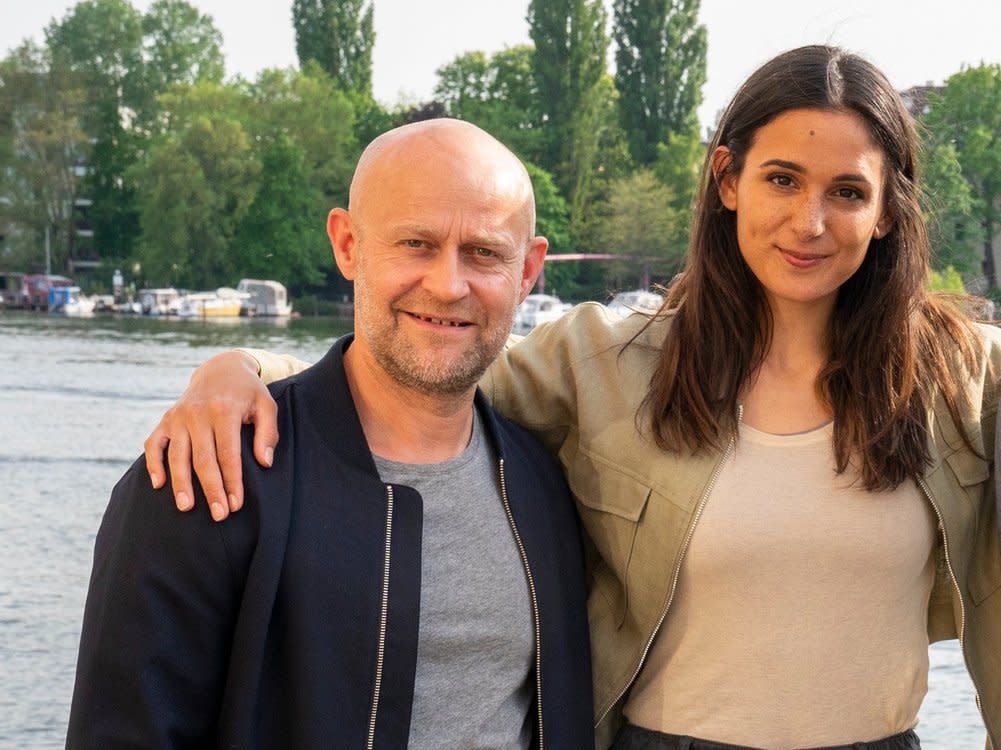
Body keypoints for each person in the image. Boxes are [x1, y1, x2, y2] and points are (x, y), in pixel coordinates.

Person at [143, 46, 1001, 750]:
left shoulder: (962, 379)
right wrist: (236, 366)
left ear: (887, 211)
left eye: (846, 192)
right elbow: (407, 371)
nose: (809, 221)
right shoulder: (604, 362)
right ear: (727, 181)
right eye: (781, 179)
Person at [67, 119, 594, 748]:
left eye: (483, 252)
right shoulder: (207, 479)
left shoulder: (545, 488)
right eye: (416, 244)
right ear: (348, 244)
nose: (449, 285)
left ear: (529, 268)